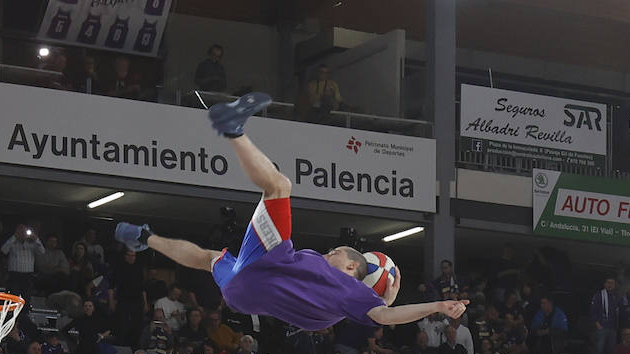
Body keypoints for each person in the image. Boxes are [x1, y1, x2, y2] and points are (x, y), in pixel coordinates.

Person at [115, 99, 467, 334]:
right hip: (242, 293)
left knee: (280, 185)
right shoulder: (341, 306)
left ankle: (233, 128)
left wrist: (435, 304)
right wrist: (385, 301)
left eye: (340, 251)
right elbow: (380, 314)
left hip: (267, 262)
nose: (334, 250)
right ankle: (144, 237)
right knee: (209, 258)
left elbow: (385, 316)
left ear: (350, 269)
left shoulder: (346, 288)